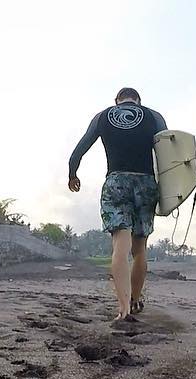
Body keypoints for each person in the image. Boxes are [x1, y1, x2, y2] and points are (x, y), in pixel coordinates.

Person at [68, 87, 167, 321]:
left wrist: (72, 174)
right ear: (138, 101)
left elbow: (78, 151)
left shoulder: (103, 116)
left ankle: (122, 308)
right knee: (140, 249)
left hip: (116, 182)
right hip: (146, 184)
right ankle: (134, 299)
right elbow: (169, 154)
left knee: (120, 248)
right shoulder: (154, 116)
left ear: (117, 101)